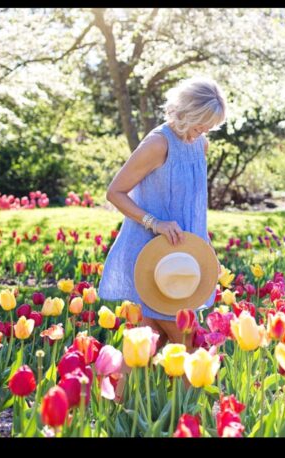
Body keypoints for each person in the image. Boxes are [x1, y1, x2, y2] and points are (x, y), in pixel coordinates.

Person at [99, 76, 226, 358]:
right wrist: (154, 223)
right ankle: (189, 403)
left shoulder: (200, 145)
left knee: (146, 347)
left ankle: (116, 399)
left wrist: (206, 250)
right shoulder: (158, 144)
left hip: (183, 257)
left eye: (209, 127)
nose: (204, 131)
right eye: (200, 123)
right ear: (186, 112)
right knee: (188, 346)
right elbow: (115, 192)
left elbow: (194, 207)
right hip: (154, 257)